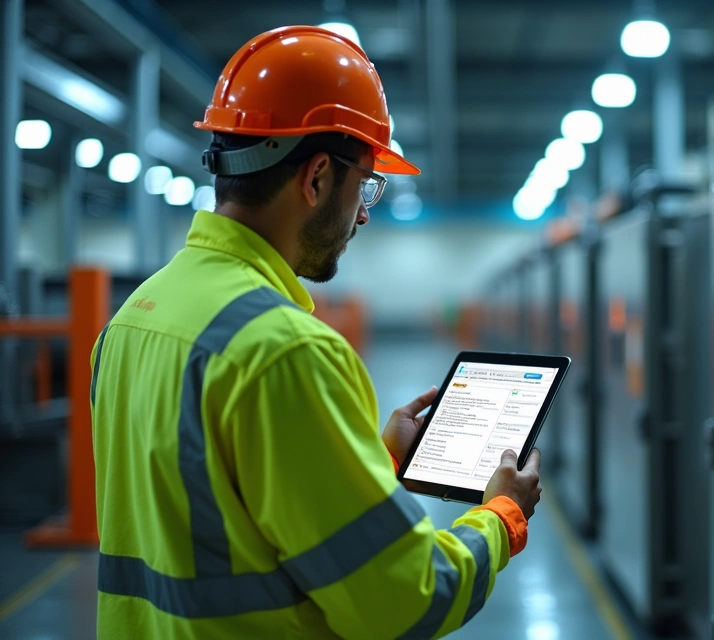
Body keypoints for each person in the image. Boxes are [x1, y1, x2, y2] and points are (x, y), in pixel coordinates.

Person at [90, 26, 542, 639]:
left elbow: (221, 511)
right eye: (366, 187)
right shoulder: (284, 351)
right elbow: (407, 601)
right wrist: (503, 514)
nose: (362, 213)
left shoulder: (132, 319)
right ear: (319, 178)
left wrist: (377, 458)